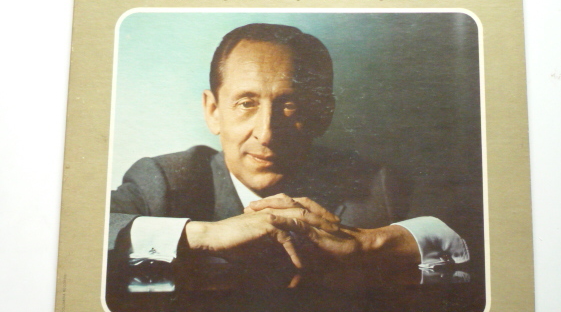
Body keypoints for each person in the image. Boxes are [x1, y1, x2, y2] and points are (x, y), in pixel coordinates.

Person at [109, 23, 469, 274]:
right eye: (246, 103)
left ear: (323, 115)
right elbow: (89, 230)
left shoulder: (377, 186)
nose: (266, 134)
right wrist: (205, 234)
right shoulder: (164, 180)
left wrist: (366, 243)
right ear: (214, 111)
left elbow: (474, 230)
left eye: (290, 105)